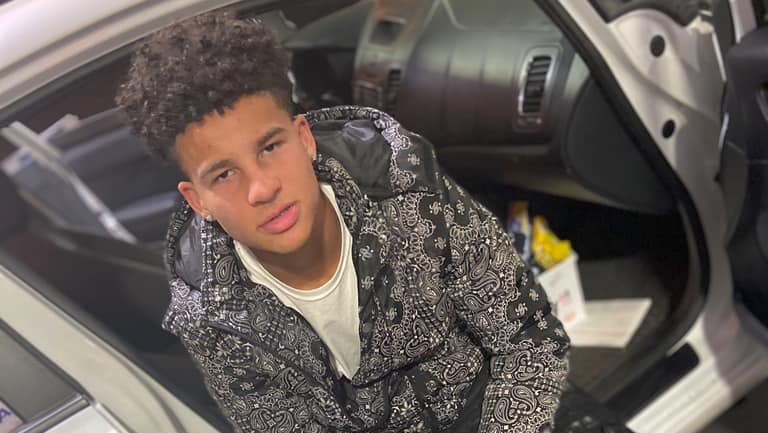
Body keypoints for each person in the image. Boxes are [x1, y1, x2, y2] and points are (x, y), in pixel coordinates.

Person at [116, 11, 569, 433]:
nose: (262, 189)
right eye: (224, 174)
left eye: (270, 147)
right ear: (198, 201)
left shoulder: (405, 190)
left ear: (304, 138)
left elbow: (527, 336)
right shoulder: (211, 317)